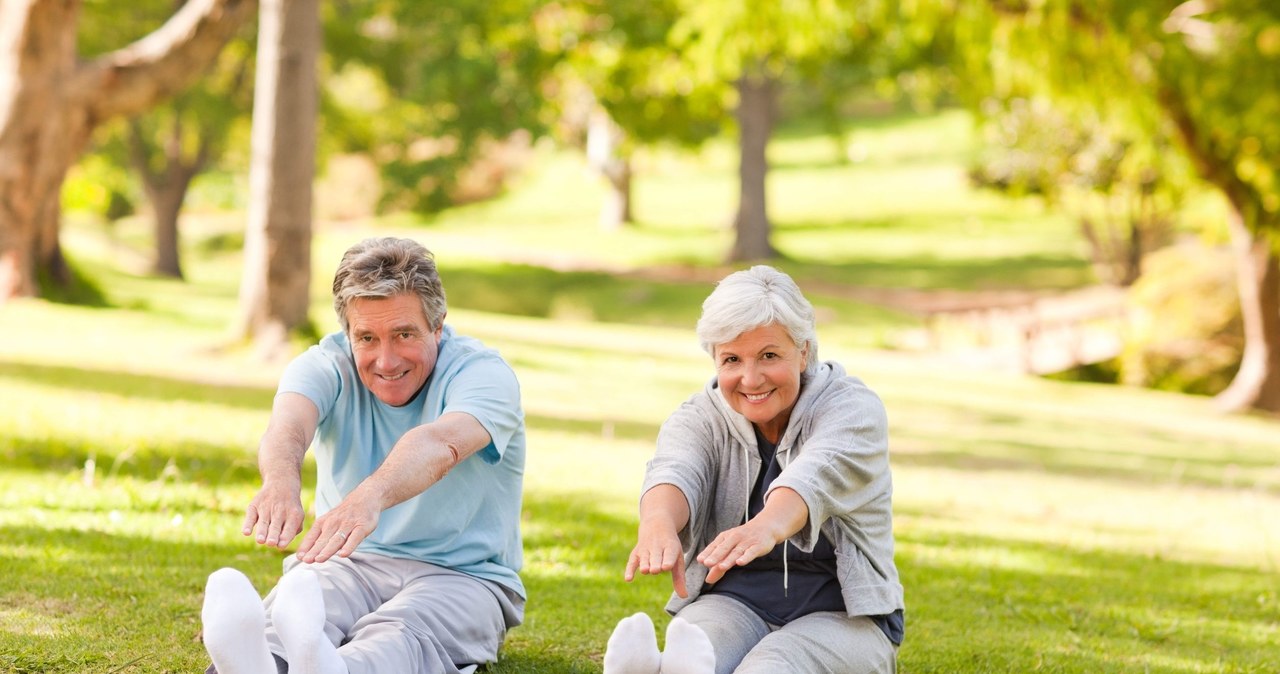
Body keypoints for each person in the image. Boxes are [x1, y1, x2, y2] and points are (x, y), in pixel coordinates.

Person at [200, 237, 526, 674]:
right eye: (367, 338)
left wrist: (368, 498)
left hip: (464, 575)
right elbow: (289, 426)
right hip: (347, 562)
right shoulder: (325, 363)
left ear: (438, 326)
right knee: (299, 610)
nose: (386, 360)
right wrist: (280, 483)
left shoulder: (484, 375)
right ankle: (257, 663)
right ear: (347, 333)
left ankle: (334, 668)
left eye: (404, 334)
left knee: (403, 630)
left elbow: (440, 444)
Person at [620, 265, 905, 674]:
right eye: (731, 359)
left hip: (845, 617)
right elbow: (676, 468)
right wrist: (658, 522)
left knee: (773, 664)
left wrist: (765, 526)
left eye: (769, 355)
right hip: (732, 602)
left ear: (803, 350)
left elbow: (815, 476)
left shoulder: (852, 410)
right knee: (700, 650)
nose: (750, 378)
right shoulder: (699, 417)